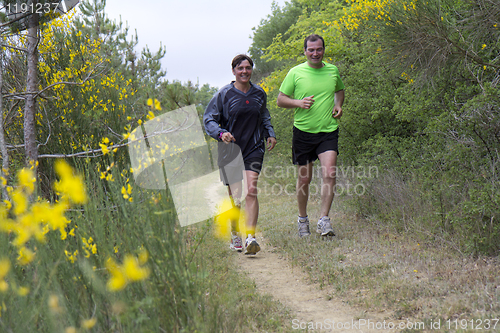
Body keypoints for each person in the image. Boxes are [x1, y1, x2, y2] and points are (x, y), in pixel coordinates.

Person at [204, 54, 277, 254]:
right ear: (234, 71)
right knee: (235, 196)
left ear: (251, 70)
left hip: (254, 147)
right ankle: (236, 234)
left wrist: (270, 133)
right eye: (240, 68)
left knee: (251, 190)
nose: (244, 71)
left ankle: (251, 237)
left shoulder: (259, 93)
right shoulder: (224, 95)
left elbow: (264, 114)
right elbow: (209, 119)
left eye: (248, 68)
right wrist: (221, 133)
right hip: (231, 149)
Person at [276, 34, 345, 237]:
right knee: (304, 178)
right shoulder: (295, 73)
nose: (315, 53)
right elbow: (280, 100)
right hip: (303, 132)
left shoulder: (332, 70)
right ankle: (302, 219)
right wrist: (299, 102)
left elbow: (339, 90)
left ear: (324, 50)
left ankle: (324, 220)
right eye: (311, 50)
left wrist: (338, 105)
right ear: (305, 51)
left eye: (319, 49)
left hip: (328, 131)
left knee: (330, 173)